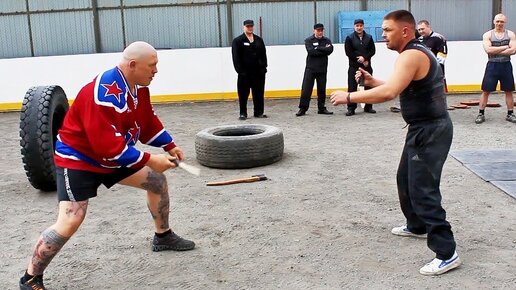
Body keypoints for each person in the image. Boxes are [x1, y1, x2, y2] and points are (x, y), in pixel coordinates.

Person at [19, 41, 195, 290]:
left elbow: (145, 122)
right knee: (71, 219)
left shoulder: (137, 86)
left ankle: (163, 236)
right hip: (79, 159)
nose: (155, 71)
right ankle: (30, 278)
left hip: (113, 154)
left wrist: (169, 144)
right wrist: (150, 159)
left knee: (156, 181)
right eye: (152, 66)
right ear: (133, 65)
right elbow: (106, 148)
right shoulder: (103, 93)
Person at [330, 10, 461, 276]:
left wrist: (350, 97)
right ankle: (416, 225)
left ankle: (447, 252)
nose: (383, 35)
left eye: (388, 30)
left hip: (431, 131)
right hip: (422, 128)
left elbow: (390, 93)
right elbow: (395, 84)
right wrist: (371, 81)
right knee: (405, 178)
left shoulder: (412, 55)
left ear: (405, 31)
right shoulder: (411, 54)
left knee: (423, 188)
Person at [475, 13, 516, 124]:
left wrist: (496, 49)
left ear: (505, 22)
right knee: (486, 91)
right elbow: (488, 50)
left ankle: (510, 113)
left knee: (509, 91)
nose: (499, 23)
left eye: (502, 21)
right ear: (494, 21)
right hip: (492, 65)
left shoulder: (510, 34)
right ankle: (481, 113)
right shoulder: (488, 35)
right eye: (497, 21)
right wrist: (505, 47)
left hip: (506, 65)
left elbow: (513, 50)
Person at [231, 19, 268, 120]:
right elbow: (236, 58)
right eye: (248, 26)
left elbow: (264, 54)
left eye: (251, 26)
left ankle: (259, 112)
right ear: (244, 27)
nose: (250, 28)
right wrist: (240, 71)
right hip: (245, 73)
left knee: (259, 93)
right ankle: (243, 113)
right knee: (243, 94)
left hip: (258, 73)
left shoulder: (259, 40)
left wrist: (264, 67)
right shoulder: (238, 41)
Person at [296, 23, 334, 116]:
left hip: (322, 69)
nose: (320, 32)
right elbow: (311, 51)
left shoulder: (327, 40)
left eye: (321, 30)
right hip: (310, 69)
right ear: (314, 31)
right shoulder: (309, 40)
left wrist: (318, 48)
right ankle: (303, 108)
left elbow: (330, 50)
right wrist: (323, 49)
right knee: (306, 89)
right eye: (318, 30)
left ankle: (321, 108)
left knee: (322, 89)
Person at [344, 18, 376, 116]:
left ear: (363, 26)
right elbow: (348, 52)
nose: (359, 27)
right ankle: (351, 108)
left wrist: (365, 58)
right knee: (352, 88)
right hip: (354, 67)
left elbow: (372, 51)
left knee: (369, 87)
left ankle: (368, 107)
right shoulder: (349, 38)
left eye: (360, 26)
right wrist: (359, 59)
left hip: (367, 67)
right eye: (357, 26)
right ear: (354, 27)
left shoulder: (369, 37)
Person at [417, 20, 448, 92]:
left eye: (422, 29)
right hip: (424, 74)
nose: (421, 31)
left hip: (437, 73)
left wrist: (433, 68)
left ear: (428, 27)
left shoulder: (439, 38)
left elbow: (442, 56)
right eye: (419, 30)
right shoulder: (419, 40)